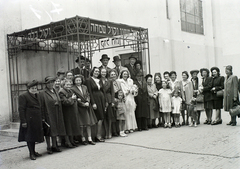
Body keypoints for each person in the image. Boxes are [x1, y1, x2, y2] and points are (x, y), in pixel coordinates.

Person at [39, 76, 66, 154]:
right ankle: (48, 147)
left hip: (56, 113)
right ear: (46, 84)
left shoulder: (55, 91)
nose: (51, 84)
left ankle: (54, 146)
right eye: (49, 83)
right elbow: (41, 105)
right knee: (48, 131)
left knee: (55, 130)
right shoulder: (42, 93)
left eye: (52, 82)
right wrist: (43, 117)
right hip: (48, 114)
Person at [18, 80, 44, 160]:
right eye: (32, 88)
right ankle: (31, 153)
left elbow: (41, 106)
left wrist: (42, 117)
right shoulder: (23, 96)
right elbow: (21, 109)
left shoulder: (38, 95)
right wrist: (24, 121)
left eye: (35, 88)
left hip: (37, 118)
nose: (34, 90)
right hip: (29, 119)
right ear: (28, 89)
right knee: (29, 136)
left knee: (35, 136)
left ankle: (34, 151)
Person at [71, 75, 97, 145]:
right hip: (80, 108)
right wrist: (82, 104)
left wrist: (88, 102)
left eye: (79, 80)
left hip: (87, 107)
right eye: (77, 80)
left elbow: (88, 95)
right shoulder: (72, 88)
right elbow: (75, 99)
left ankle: (89, 138)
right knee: (81, 124)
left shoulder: (85, 87)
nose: (78, 82)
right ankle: (83, 138)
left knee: (88, 123)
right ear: (74, 81)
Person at [85, 67, 106, 142]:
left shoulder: (100, 80)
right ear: (92, 72)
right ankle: (96, 136)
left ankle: (99, 135)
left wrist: (105, 101)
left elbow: (103, 90)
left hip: (101, 99)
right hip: (95, 99)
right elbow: (89, 92)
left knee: (101, 117)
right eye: (95, 71)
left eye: (98, 71)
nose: (97, 72)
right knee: (98, 118)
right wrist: (93, 103)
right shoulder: (89, 80)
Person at [58, 79, 81, 148]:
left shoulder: (70, 91)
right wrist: (72, 99)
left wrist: (74, 99)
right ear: (63, 85)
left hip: (72, 111)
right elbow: (66, 102)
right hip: (66, 112)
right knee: (67, 127)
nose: (69, 86)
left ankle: (72, 141)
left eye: (70, 85)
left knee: (72, 126)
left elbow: (73, 100)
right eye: (67, 85)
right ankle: (68, 142)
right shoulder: (61, 92)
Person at [100, 68, 115, 139]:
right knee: (104, 117)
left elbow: (112, 91)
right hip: (101, 100)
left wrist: (112, 101)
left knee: (109, 117)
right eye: (102, 72)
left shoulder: (109, 81)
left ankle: (109, 132)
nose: (103, 73)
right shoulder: (98, 81)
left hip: (108, 100)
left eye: (104, 72)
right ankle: (105, 132)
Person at [109, 69, 121, 136]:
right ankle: (114, 131)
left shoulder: (118, 82)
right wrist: (113, 99)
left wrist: (120, 97)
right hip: (113, 99)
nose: (113, 76)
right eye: (111, 75)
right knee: (113, 116)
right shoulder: (109, 82)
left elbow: (120, 90)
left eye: (114, 74)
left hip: (118, 98)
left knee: (118, 115)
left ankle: (118, 130)